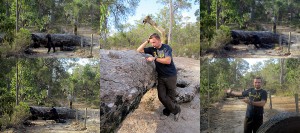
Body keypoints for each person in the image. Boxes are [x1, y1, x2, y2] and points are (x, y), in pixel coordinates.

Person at [137, 33, 181, 121]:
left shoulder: (166, 48)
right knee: (161, 96)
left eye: (154, 42)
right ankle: (176, 110)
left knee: (170, 96)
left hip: (170, 76)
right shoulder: (152, 49)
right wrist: (147, 41)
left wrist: (154, 58)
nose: (153, 44)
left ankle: (168, 111)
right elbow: (139, 50)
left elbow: (168, 61)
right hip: (161, 77)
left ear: (159, 40)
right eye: (151, 43)